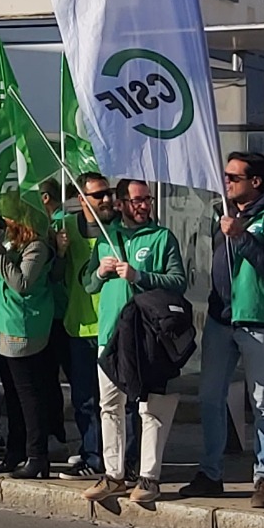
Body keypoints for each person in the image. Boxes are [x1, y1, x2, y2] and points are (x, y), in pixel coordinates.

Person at [181, 151, 264, 508]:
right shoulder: (226, 215)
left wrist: (243, 237)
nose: (227, 182)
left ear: (256, 182)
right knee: (210, 397)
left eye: (233, 177)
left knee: (263, 401)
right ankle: (211, 472)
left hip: (257, 320)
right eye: (226, 177)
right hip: (221, 318)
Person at [83, 178, 188, 505]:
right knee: (109, 406)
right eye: (137, 200)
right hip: (112, 335)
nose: (144, 205)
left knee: (151, 408)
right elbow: (87, 285)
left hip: (149, 337)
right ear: (120, 204)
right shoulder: (106, 237)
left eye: (147, 199)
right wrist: (100, 273)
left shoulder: (162, 238)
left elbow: (179, 282)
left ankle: (149, 478)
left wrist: (139, 276)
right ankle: (113, 474)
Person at [0, 197, 60, 479]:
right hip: (3, 325)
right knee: (12, 396)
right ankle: (14, 451)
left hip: (24, 327)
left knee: (30, 396)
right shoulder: (7, 243)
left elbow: (22, 283)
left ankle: (37, 455)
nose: (3, 222)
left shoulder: (36, 247)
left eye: (7, 217)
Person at [53, 172, 119, 478]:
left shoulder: (118, 229)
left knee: (117, 400)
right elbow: (53, 277)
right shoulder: (66, 228)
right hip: (79, 325)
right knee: (85, 399)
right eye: (98, 195)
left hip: (113, 326)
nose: (106, 199)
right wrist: (60, 252)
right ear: (82, 200)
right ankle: (93, 452)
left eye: (108, 193)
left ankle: (115, 458)